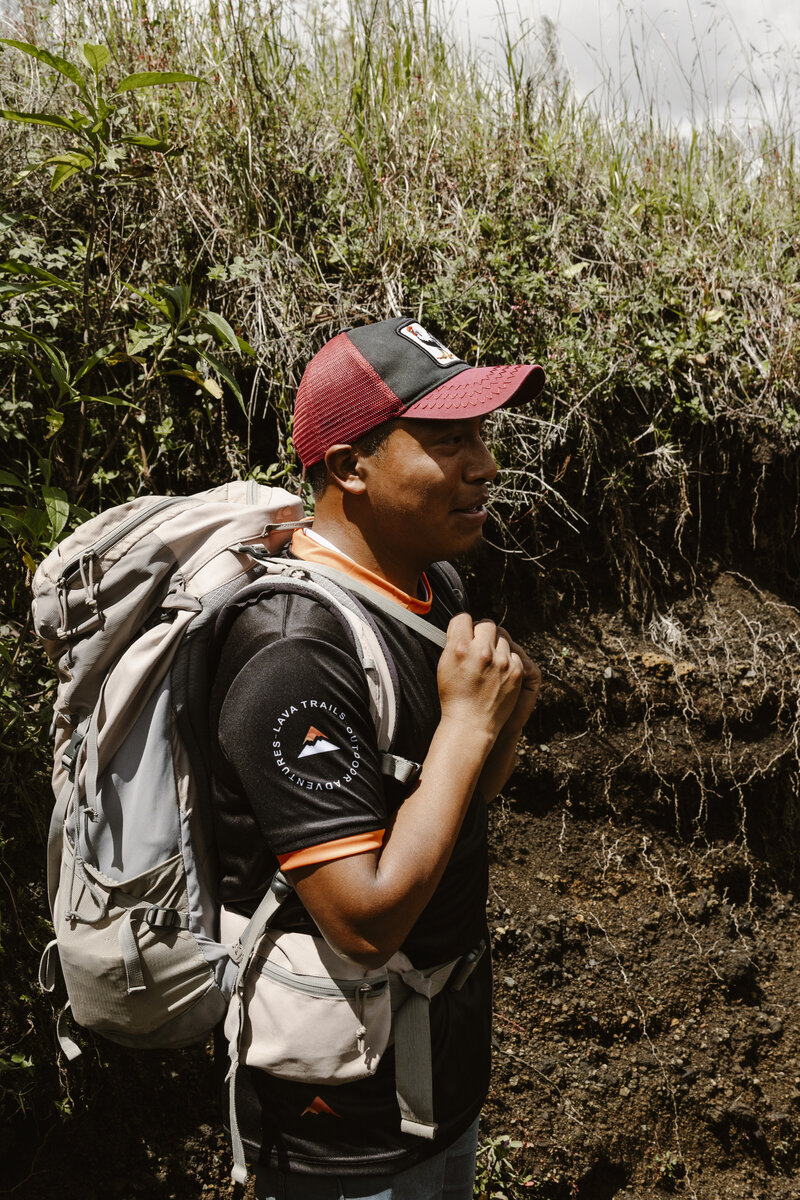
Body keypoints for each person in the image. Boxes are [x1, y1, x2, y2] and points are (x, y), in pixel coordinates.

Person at [210, 315, 545, 1199]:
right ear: (349, 467)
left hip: (440, 1076)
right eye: (444, 440)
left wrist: (497, 721)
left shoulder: (432, 588)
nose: (484, 464)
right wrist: (470, 726)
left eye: (481, 434)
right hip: (340, 1129)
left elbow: (454, 801)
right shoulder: (291, 649)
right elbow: (363, 923)